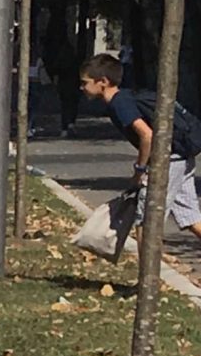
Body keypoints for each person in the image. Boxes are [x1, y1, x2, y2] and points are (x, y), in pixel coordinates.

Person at [82, 52, 201, 241]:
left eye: (85, 82)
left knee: (146, 222)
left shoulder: (119, 103)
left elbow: (147, 135)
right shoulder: (127, 96)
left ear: (102, 81)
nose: (82, 87)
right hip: (180, 157)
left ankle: (148, 271)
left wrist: (140, 169)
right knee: (191, 217)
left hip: (168, 161)